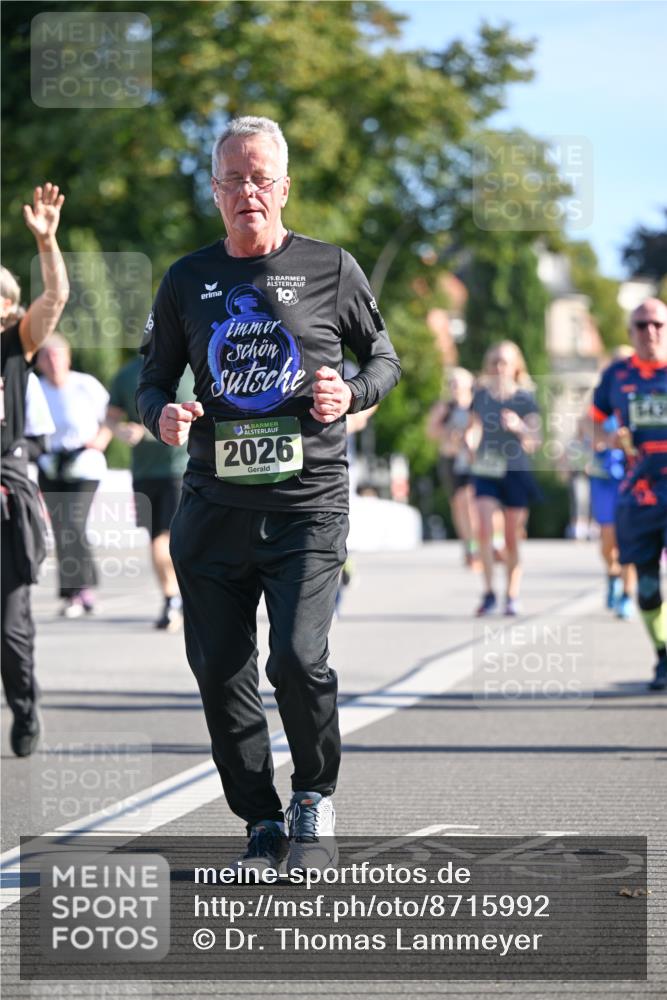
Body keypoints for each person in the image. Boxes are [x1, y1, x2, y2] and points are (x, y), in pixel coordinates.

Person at [136, 116, 401, 875]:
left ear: (283, 186)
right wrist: (161, 410)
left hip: (307, 504)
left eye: (260, 177)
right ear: (214, 191)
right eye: (232, 179)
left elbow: (383, 359)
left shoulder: (330, 267)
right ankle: (258, 817)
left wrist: (347, 393)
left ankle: (313, 796)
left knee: (296, 658)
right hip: (213, 507)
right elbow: (151, 377)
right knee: (222, 672)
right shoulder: (187, 279)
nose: (247, 191)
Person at [1, 184, 69, 756]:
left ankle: (24, 707)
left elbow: (56, 298)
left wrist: (47, 242)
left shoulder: (14, 345)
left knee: (9, 629)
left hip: (6, 499)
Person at [590, 298, 667, 690]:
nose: (650, 332)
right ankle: (663, 656)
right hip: (639, 494)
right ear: (631, 332)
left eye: (657, 324)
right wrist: (609, 438)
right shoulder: (616, 377)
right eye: (641, 325)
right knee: (648, 586)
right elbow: (593, 425)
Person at [106, 357, 196, 631]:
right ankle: (172, 599)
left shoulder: (193, 369)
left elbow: (206, 415)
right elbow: (110, 417)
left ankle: (177, 599)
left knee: (166, 539)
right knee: (157, 540)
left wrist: (146, 431)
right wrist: (120, 430)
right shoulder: (126, 375)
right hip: (143, 473)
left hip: (181, 468)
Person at [37, 334, 111, 617]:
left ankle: (84, 588)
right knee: (61, 528)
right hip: (51, 465)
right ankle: (71, 593)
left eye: (57, 355)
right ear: (40, 362)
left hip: (84, 464)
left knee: (74, 523)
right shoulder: (37, 388)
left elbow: (110, 418)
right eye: (47, 356)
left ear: (67, 357)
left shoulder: (85, 385)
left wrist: (101, 440)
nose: (53, 362)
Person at [467, 340, 542, 616]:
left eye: (505, 362)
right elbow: (473, 427)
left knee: (511, 537)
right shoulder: (481, 395)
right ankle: (488, 592)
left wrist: (519, 427)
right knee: (484, 529)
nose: (499, 367)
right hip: (487, 467)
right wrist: (469, 441)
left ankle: (511, 594)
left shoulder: (525, 398)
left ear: (515, 367)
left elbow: (535, 441)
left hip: (516, 470)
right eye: (495, 362)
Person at [427, 366, 480, 568]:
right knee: (458, 504)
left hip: (472, 460)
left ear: (468, 384)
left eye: (457, 383)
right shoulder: (445, 408)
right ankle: (468, 547)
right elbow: (431, 432)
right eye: (451, 383)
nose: (453, 387)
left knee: (472, 502)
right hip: (451, 460)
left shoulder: (476, 406)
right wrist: (447, 432)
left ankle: (480, 544)